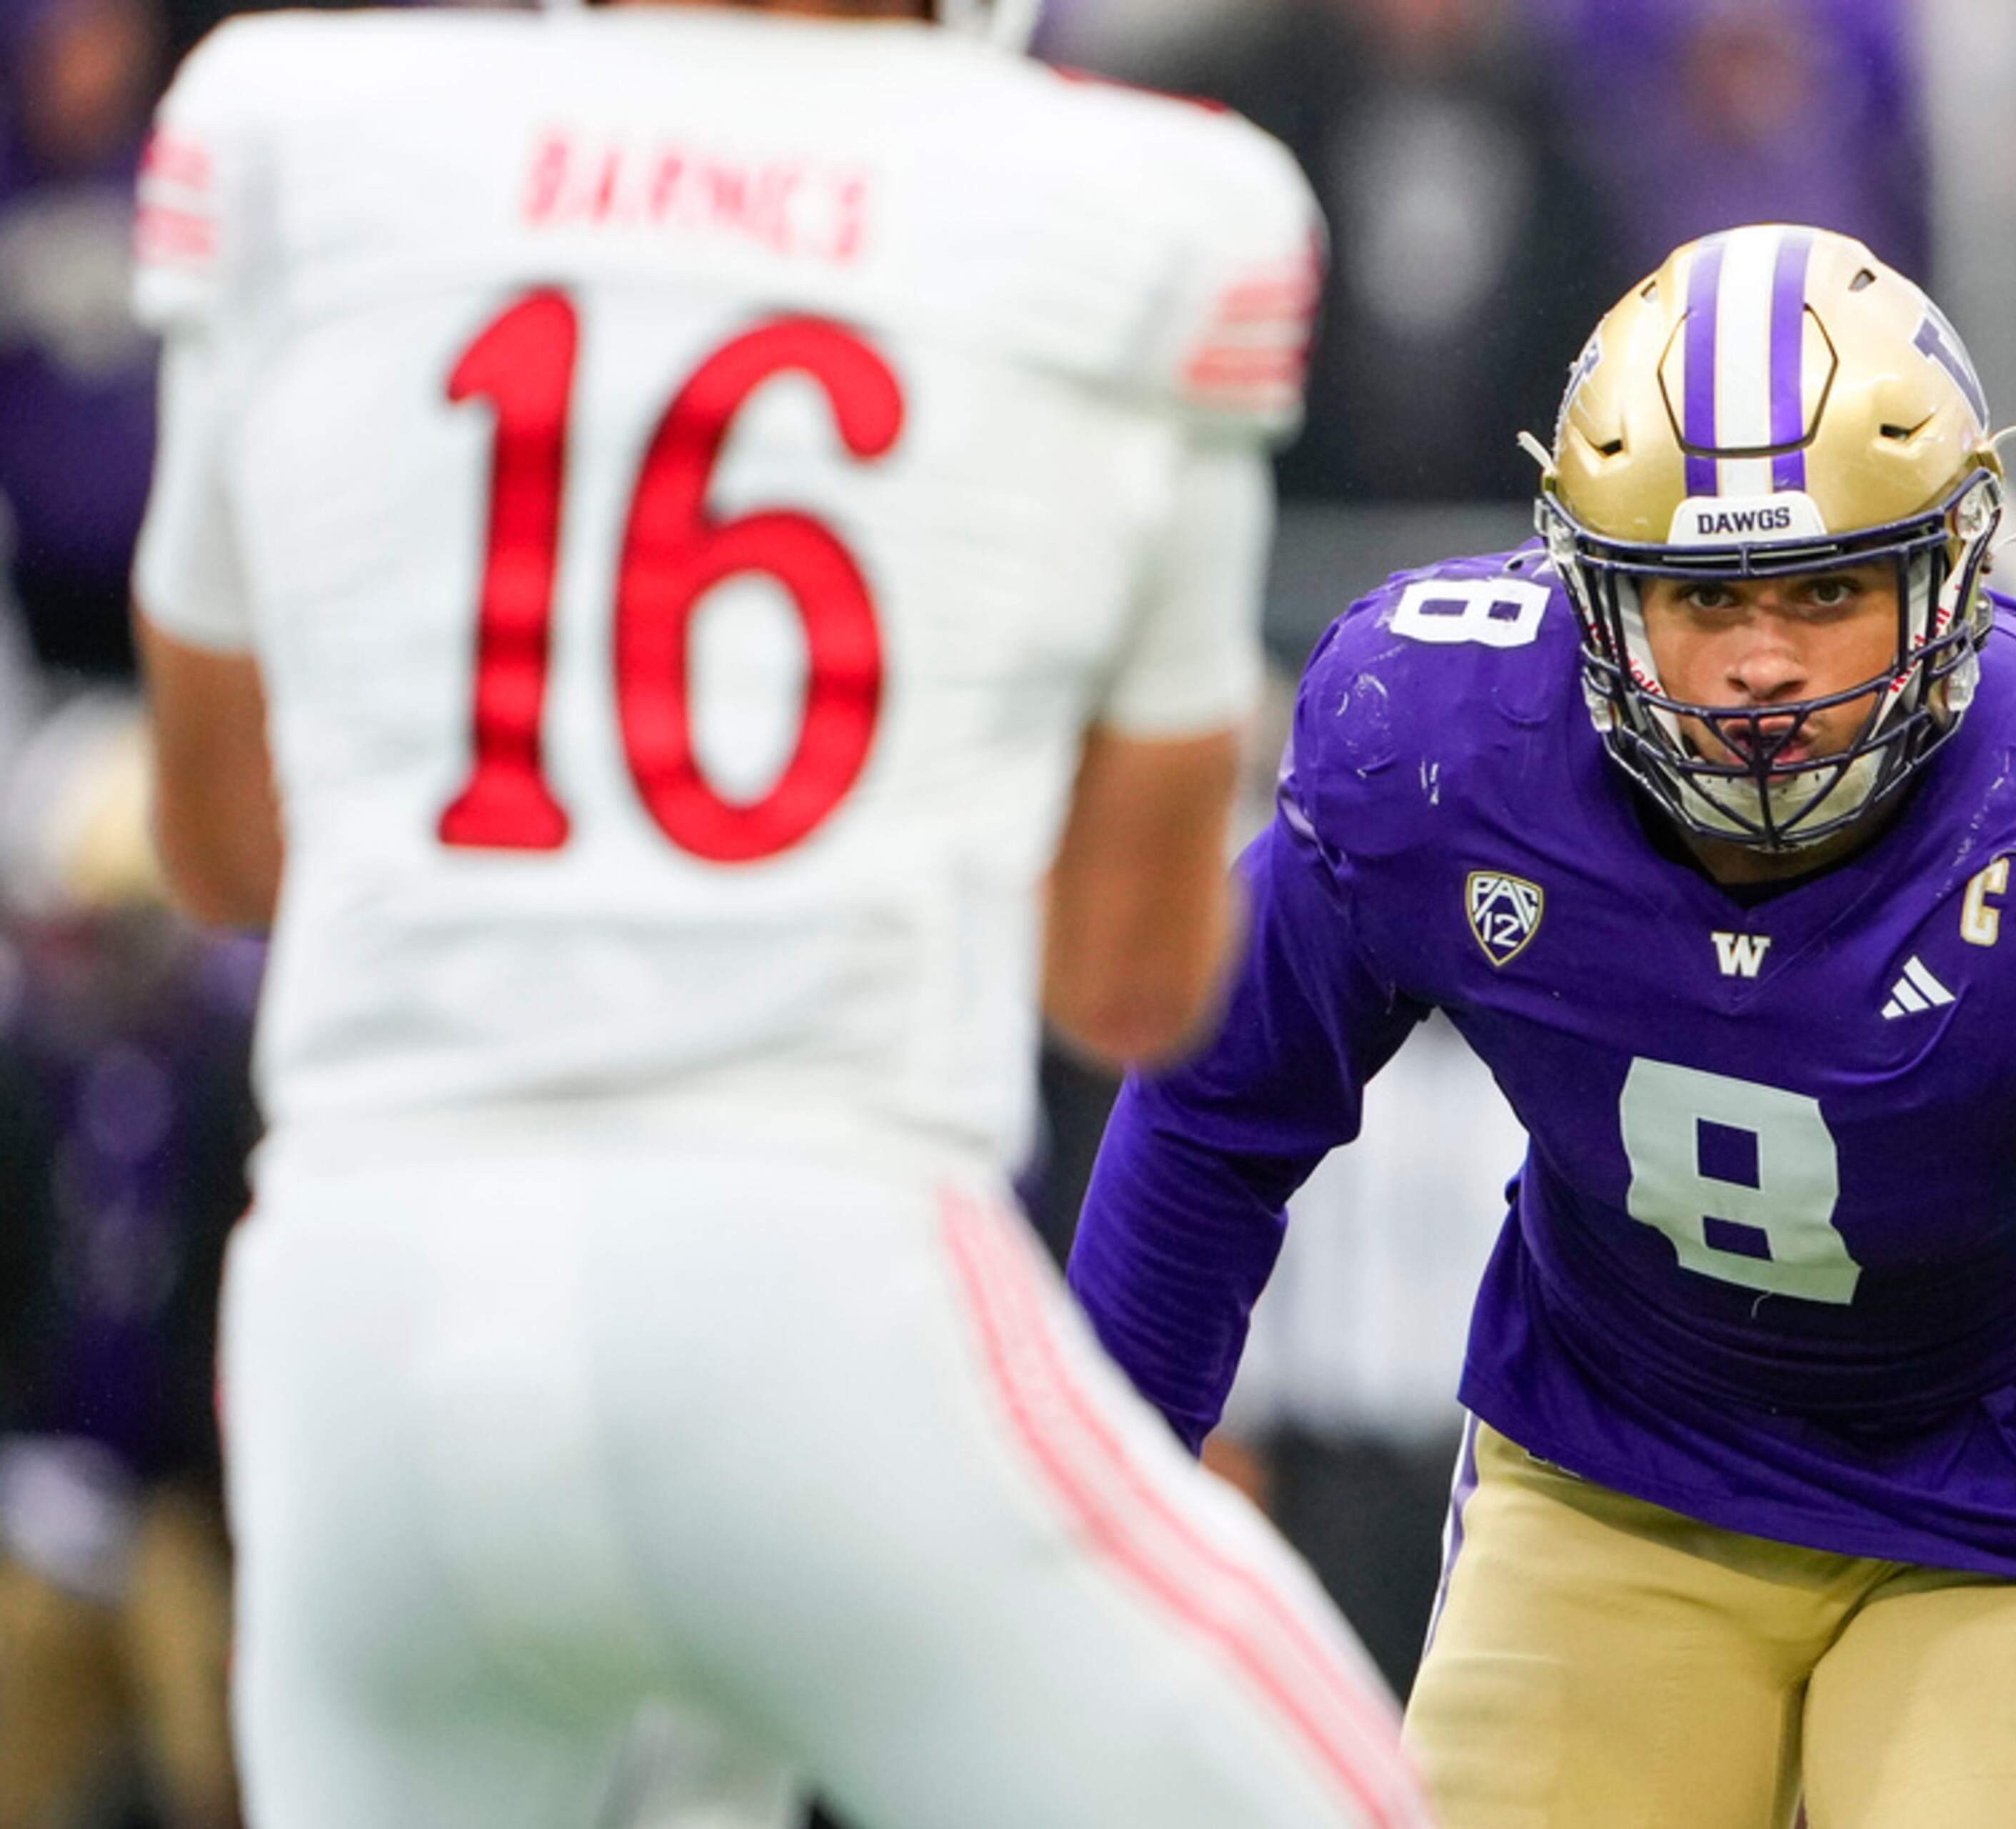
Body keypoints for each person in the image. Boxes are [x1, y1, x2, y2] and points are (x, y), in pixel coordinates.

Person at [125, 1, 1433, 1825]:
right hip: (812, 1279)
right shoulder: (1141, 204)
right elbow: (1132, 981)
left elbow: (226, 855)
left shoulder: (299, 123)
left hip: (364, 1311)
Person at [1069, 222, 2016, 1828]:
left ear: (1952, 575)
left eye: (1826, 587)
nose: (1762, 667)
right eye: (1697, 596)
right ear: (1590, 601)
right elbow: (1211, 1119)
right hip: (1618, 1461)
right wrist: (1095, 1564)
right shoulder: (1435, 746)